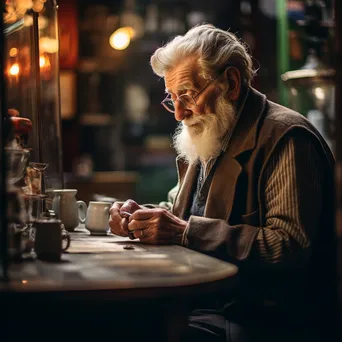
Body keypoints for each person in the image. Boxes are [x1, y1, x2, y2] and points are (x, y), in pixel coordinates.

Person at [109, 24, 338, 342]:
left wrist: (183, 232)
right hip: (207, 305)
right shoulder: (213, 129)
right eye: (171, 98)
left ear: (230, 83)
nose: (178, 113)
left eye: (187, 96)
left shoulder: (286, 138)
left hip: (259, 319)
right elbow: (183, 212)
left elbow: (288, 247)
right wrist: (140, 217)